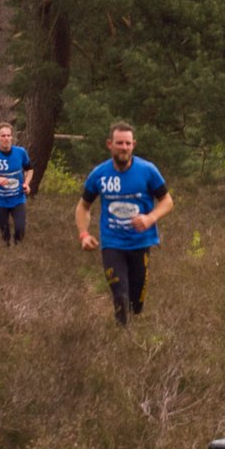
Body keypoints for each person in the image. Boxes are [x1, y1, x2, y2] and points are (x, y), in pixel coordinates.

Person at [76, 121, 173, 324]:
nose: (124, 148)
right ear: (109, 144)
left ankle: (133, 331)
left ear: (134, 145)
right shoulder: (99, 174)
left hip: (140, 242)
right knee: (120, 295)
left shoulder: (148, 170)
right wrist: (84, 234)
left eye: (128, 143)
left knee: (136, 304)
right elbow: (83, 206)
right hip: (112, 243)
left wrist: (150, 218)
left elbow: (167, 201)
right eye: (119, 143)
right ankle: (121, 332)